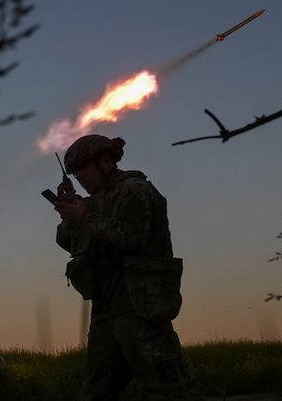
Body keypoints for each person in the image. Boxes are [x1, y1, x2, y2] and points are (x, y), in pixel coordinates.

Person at [52, 134, 201, 401]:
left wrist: (84, 217)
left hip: (141, 308)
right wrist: (70, 214)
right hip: (106, 313)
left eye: (84, 168)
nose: (80, 177)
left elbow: (131, 237)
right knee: (95, 393)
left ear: (105, 162)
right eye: (75, 173)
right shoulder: (92, 202)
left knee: (171, 390)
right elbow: (68, 242)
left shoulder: (134, 190)